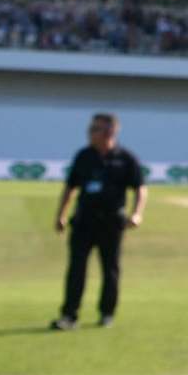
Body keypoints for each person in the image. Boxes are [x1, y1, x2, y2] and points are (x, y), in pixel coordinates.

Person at [51, 112, 146, 330]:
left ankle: (107, 313)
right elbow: (70, 187)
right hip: (84, 222)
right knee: (76, 269)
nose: (90, 133)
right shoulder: (84, 156)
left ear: (110, 132)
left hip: (112, 224)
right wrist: (61, 215)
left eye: (95, 129)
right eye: (90, 128)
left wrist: (137, 213)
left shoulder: (125, 158)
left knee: (110, 269)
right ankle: (69, 315)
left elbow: (140, 188)